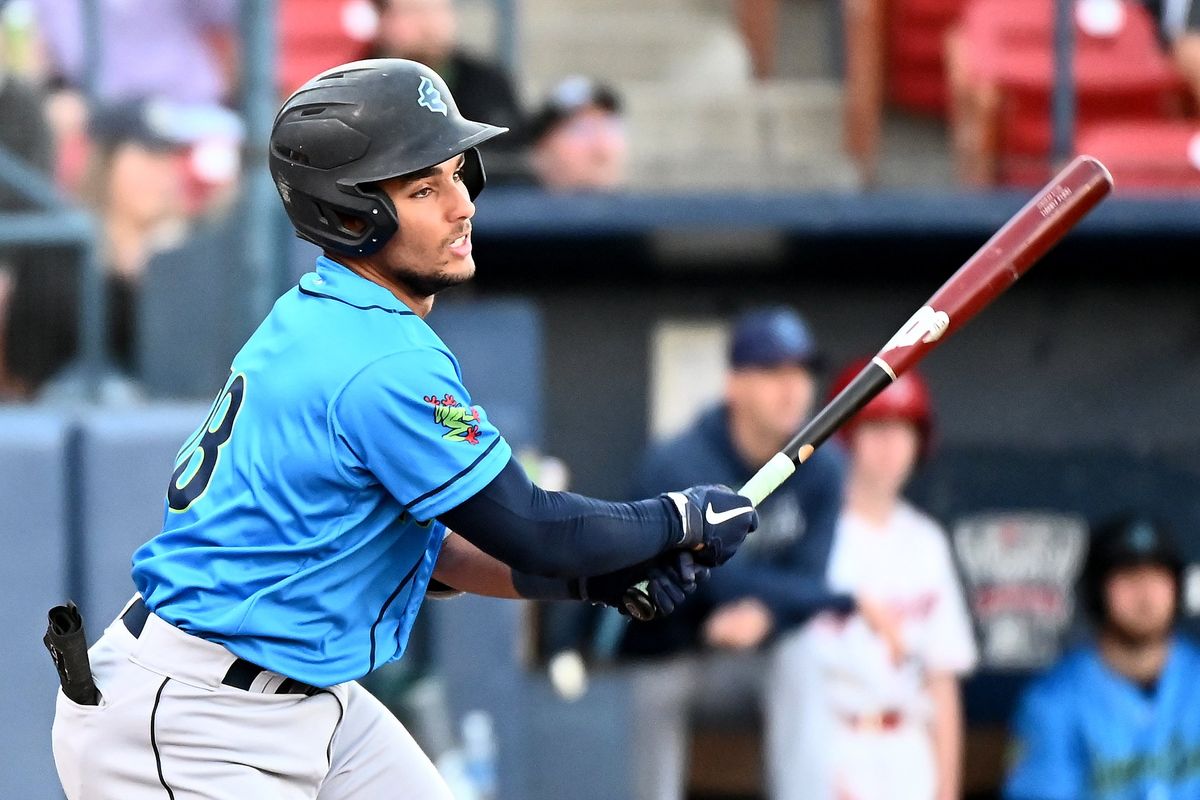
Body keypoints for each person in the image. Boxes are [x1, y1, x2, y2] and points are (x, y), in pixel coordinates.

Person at [47, 59, 760, 800]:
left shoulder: (335, 312)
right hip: (194, 722)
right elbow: (535, 528)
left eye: (458, 173)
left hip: (302, 699)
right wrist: (678, 519)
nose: (462, 206)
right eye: (425, 188)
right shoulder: (377, 358)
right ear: (351, 216)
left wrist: (598, 576)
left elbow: (447, 551)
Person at [620, 307, 888, 800]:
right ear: (734, 385)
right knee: (651, 690)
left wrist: (769, 615)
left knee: (801, 657)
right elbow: (718, 577)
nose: (793, 388)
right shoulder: (681, 460)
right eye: (773, 372)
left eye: (801, 371)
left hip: (754, 654)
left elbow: (810, 578)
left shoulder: (825, 467)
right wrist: (841, 600)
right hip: (672, 648)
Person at [784, 361, 977, 800]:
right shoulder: (810, 537)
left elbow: (941, 677)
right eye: (877, 428)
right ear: (846, 439)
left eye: (903, 430)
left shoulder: (927, 541)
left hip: (907, 748)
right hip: (831, 737)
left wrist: (947, 786)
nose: (891, 446)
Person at [1004, 514, 1200, 800]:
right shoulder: (1053, 702)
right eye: (1128, 579)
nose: (1145, 595)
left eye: (1157, 577)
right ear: (1097, 592)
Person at [369, 0, 528, 181]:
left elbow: (514, 152)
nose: (429, 24)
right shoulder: (361, 86)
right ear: (382, 19)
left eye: (438, 11)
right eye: (414, 12)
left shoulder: (486, 80)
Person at [529, 75, 629, 192]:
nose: (601, 149)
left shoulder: (642, 208)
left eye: (610, 128)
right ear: (543, 145)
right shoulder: (514, 206)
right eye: (582, 130)